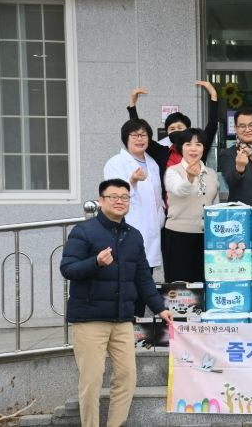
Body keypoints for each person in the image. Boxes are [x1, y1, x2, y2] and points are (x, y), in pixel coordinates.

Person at [60, 179, 173, 427]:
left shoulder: (134, 236)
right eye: (113, 197)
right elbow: (67, 268)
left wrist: (160, 308)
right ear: (101, 201)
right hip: (90, 319)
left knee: (127, 377)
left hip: (122, 319)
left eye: (124, 197)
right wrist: (96, 262)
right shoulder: (84, 231)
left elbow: (143, 278)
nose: (120, 201)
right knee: (91, 381)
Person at [126, 81, 219, 190]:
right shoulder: (162, 152)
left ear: (188, 130)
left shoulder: (197, 149)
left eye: (180, 128)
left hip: (195, 199)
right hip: (169, 200)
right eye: (172, 129)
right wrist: (132, 105)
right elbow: (140, 133)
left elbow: (212, 125)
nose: (176, 131)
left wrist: (213, 95)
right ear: (167, 133)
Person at [103, 119, 164, 269]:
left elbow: (157, 196)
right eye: (135, 135)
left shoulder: (152, 164)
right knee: (127, 273)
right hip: (127, 228)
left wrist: (160, 218)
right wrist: (132, 181)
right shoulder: (115, 163)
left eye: (144, 135)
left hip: (151, 231)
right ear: (126, 138)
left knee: (146, 273)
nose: (140, 139)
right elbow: (114, 196)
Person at [163, 128, 219, 283]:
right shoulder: (172, 171)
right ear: (181, 148)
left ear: (204, 148)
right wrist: (189, 177)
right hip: (178, 236)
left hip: (207, 237)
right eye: (188, 144)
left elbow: (215, 205)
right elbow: (180, 190)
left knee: (204, 281)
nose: (193, 149)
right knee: (180, 285)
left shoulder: (211, 173)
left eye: (198, 144)